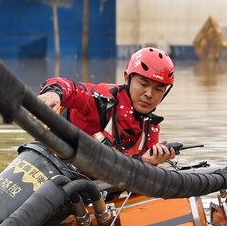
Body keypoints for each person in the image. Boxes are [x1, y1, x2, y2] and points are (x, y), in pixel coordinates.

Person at [38, 47, 177, 166]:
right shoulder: (102, 100)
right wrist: (54, 93)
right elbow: (70, 88)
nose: (149, 94)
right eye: (143, 84)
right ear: (127, 78)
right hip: (52, 170)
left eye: (158, 89)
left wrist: (146, 163)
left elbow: (134, 184)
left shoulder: (151, 129)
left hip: (92, 191)